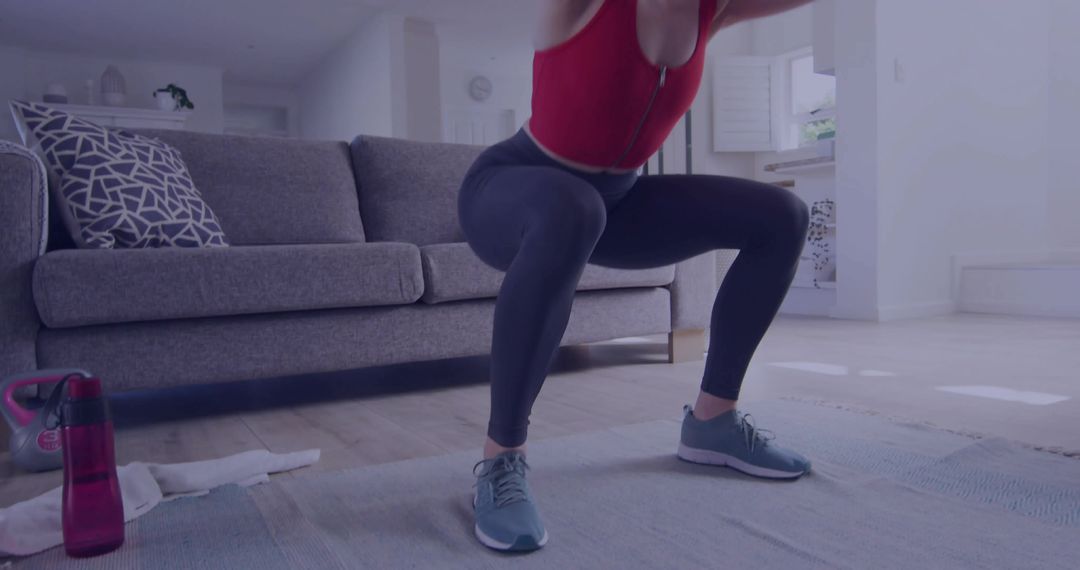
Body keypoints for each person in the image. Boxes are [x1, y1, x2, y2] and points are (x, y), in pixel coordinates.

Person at [457, 0, 816, 552]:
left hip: (616, 204)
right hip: (513, 189)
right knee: (573, 208)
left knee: (781, 216)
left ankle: (712, 422)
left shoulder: (710, 11)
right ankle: (501, 460)